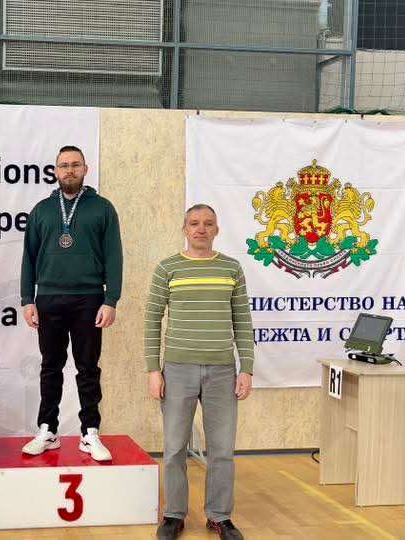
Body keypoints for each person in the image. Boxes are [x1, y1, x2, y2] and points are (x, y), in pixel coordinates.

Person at [145, 204, 254, 540]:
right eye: (194, 223)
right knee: (174, 447)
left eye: (208, 224)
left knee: (222, 449)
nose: (201, 229)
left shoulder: (231, 268)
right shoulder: (168, 268)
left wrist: (246, 368)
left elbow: (243, 321)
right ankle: (174, 515)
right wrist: (153, 370)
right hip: (177, 371)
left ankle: (219, 516)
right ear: (185, 229)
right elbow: (152, 320)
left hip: (222, 372)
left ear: (217, 230)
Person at [19, 145, 123, 462]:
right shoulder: (41, 210)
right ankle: (47, 429)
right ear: (55, 171)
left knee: (87, 368)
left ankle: (90, 432)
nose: (69, 170)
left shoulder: (102, 209)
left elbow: (114, 256)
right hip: (48, 297)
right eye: (63, 165)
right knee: (50, 366)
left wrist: (111, 299)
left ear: (85, 169)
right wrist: (27, 299)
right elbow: (29, 258)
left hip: (89, 298)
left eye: (75, 165)